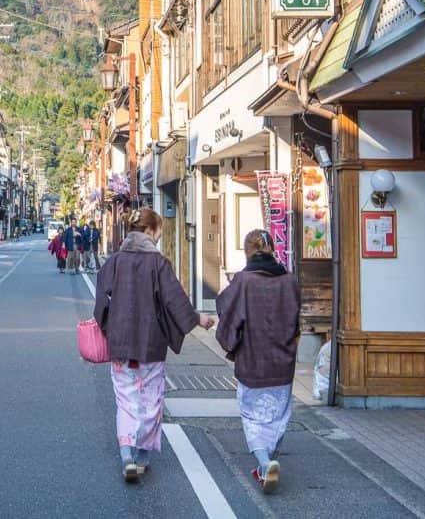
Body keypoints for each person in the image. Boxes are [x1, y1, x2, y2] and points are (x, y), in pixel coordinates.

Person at [94, 208, 214, 483]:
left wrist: (109, 330)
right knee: (151, 402)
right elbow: (174, 301)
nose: (160, 237)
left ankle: (126, 456)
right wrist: (197, 319)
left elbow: (101, 303)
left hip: (121, 346)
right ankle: (142, 457)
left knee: (126, 401)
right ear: (149, 231)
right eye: (159, 231)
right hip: (151, 345)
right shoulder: (158, 263)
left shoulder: (114, 262)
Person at [216, 229, 300, 496]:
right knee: (278, 416)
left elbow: (227, 312)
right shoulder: (289, 281)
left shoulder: (243, 281)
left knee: (253, 417)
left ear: (247, 251)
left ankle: (264, 462)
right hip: (282, 361)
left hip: (253, 360)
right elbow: (297, 319)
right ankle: (268, 460)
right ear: (272, 249)